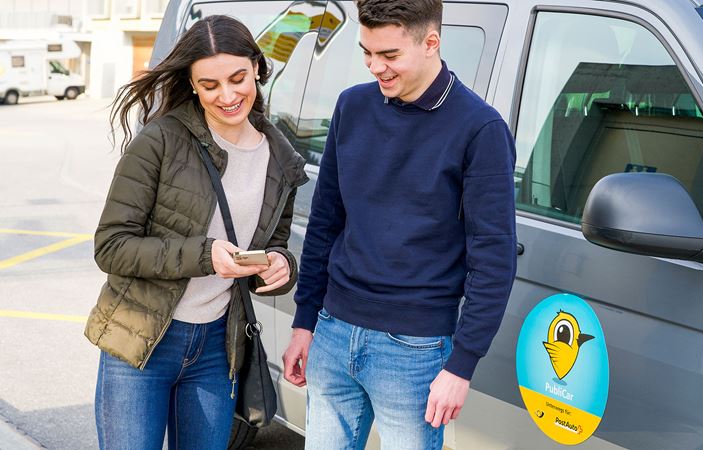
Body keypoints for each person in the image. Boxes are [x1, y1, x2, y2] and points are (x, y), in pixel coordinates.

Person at [281, 0, 517, 448]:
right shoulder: (352, 107)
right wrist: (305, 321)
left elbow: (494, 261)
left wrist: (461, 365)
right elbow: (325, 223)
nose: (375, 67)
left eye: (389, 56)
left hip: (414, 350)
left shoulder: (481, 129)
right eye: (367, 53)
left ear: (431, 43)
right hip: (333, 330)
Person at [84, 15, 307, 450]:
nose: (227, 96)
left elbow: (274, 245)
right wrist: (204, 256)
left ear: (258, 68)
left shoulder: (281, 159)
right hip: (140, 342)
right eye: (210, 85)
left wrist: (282, 265)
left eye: (238, 78)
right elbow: (111, 247)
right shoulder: (160, 141)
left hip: (217, 347)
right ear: (192, 85)